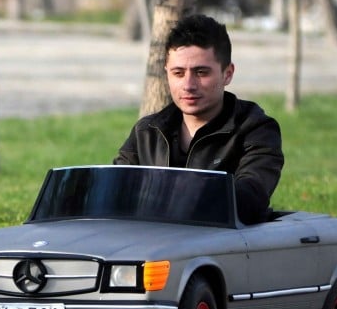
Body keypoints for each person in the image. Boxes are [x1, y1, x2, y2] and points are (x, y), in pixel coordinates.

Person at [114, 14, 284, 224]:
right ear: (166, 73)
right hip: (150, 247)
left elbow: (248, 199)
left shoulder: (256, 130)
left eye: (201, 72)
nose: (188, 85)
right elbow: (115, 194)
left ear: (227, 74)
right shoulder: (147, 132)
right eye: (178, 73)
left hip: (221, 249)